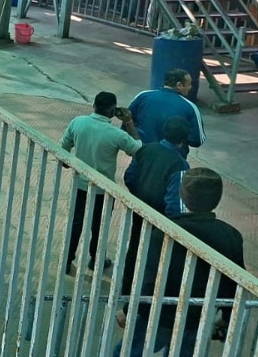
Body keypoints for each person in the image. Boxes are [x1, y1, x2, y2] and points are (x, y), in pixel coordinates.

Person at [117, 169, 244, 357]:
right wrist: (226, 317)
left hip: (160, 316)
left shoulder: (165, 233)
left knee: (128, 352)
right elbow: (233, 284)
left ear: (183, 196)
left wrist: (130, 310)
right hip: (198, 317)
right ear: (217, 198)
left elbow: (148, 280)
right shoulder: (231, 236)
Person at [60, 91, 141, 273]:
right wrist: (128, 122)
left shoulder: (78, 122)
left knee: (76, 222)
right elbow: (139, 150)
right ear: (113, 111)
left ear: (94, 106)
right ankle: (96, 260)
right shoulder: (116, 134)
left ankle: (67, 261)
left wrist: (66, 163)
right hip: (103, 189)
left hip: (80, 184)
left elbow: (63, 149)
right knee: (100, 226)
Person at [127, 69, 205, 148]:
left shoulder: (143, 96)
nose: (190, 87)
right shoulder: (190, 107)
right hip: (171, 157)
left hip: (141, 154)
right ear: (179, 85)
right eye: (189, 84)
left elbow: (127, 119)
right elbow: (197, 140)